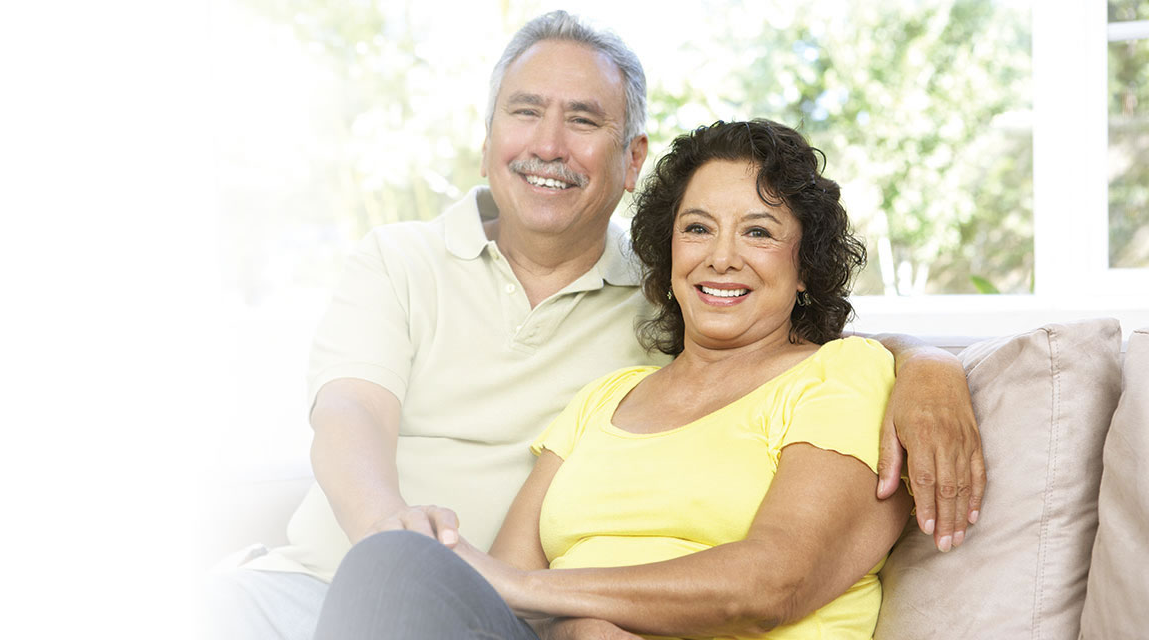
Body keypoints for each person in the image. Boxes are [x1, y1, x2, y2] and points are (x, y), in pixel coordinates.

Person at [205, 11, 984, 640]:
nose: (721, 260)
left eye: (582, 119)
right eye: (698, 230)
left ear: (630, 158)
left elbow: (775, 567)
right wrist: (410, 547)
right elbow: (351, 416)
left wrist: (931, 365)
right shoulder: (598, 378)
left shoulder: (778, 351)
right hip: (345, 590)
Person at [315, 119, 911, 640]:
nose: (721, 256)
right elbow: (500, 590)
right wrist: (580, 627)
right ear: (668, 249)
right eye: (697, 228)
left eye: (758, 232)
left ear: (805, 266)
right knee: (393, 567)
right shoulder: (606, 397)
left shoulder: (840, 372)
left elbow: (773, 583)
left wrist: (553, 600)